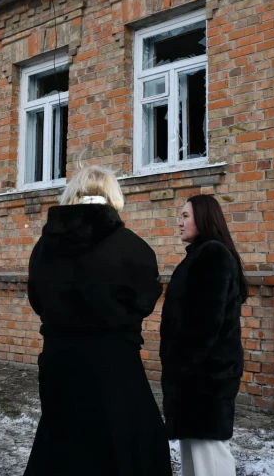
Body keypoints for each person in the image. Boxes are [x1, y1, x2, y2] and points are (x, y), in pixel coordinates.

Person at [24, 166, 172, 476]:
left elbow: (37, 298)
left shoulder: (43, 247)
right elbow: (144, 299)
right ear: (112, 195)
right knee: (121, 448)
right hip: (114, 363)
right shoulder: (131, 245)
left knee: (63, 446)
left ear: (72, 194)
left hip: (59, 362)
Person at [160, 195, 249, 476]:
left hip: (205, 376)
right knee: (194, 450)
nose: (180, 222)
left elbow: (205, 322)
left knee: (208, 454)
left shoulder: (212, 255)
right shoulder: (202, 254)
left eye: (185, 216)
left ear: (204, 218)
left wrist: (184, 366)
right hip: (197, 375)